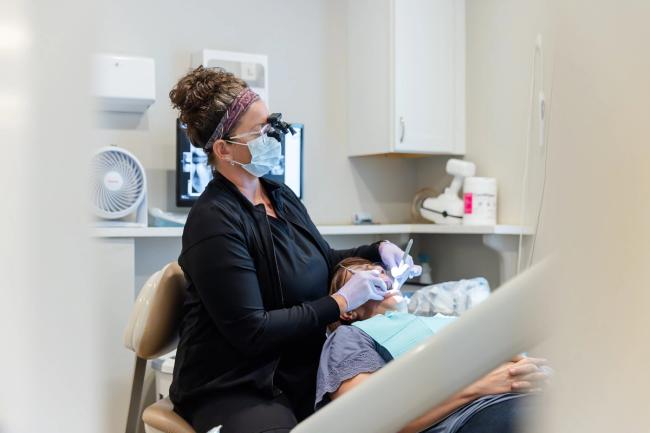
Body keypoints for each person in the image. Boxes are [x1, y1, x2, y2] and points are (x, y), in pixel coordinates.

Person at [167, 66, 420, 433]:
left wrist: (377, 251)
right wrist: (341, 302)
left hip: (297, 368)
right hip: (236, 384)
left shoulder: (279, 194)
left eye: (271, 125)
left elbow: (320, 258)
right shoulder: (213, 221)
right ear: (223, 149)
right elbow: (252, 332)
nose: (272, 136)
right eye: (258, 131)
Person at [316, 257, 550, 433]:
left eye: (378, 269)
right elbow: (366, 419)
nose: (378, 272)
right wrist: (480, 385)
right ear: (348, 312)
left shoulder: (439, 319)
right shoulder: (348, 337)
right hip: (475, 415)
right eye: (363, 277)